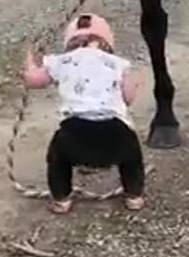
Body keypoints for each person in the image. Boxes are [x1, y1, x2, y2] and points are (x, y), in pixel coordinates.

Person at [24, 13, 147, 214]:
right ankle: (134, 196)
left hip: (74, 134)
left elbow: (33, 80)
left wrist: (29, 62)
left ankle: (61, 200)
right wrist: (136, 81)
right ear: (107, 41)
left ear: (69, 41)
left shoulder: (61, 61)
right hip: (115, 133)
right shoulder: (117, 63)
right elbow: (128, 98)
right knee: (132, 156)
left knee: (57, 158)